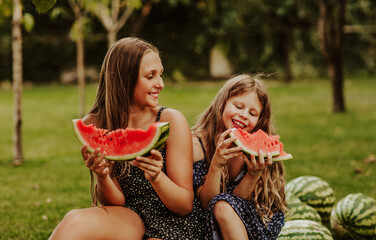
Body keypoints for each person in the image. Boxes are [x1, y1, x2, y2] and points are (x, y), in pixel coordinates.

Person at [49, 37, 206, 240]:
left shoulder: (170, 120)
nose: (161, 84)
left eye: (161, 75)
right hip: (130, 215)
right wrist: (102, 176)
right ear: (125, 78)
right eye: (151, 76)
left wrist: (157, 176)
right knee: (73, 221)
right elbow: (116, 203)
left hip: (174, 219)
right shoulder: (96, 122)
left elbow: (184, 206)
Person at [191, 74, 288, 240]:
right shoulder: (197, 145)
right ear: (222, 104)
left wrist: (253, 175)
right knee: (221, 206)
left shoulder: (258, 152)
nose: (244, 115)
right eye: (238, 106)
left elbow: (236, 206)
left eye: (252, 113)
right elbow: (207, 204)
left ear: (259, 121)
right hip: (208, 223)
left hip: (254, 222)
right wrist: (216, 164)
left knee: (224, 206)